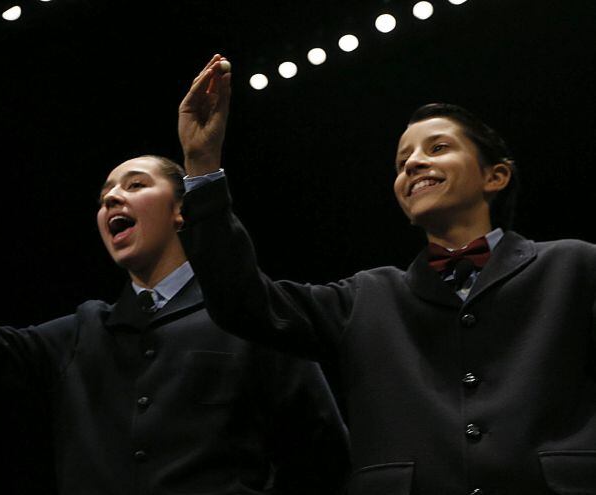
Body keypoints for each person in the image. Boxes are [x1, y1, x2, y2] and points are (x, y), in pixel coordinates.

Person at [177, 54, 596, 494]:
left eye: (437, 148)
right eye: (402, 162)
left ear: (495, 176)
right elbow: (244, 303)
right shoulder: (366, 296)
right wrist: (202, 166)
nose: (412, 164)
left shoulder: (576, 267)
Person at [0, 134, 348, 495]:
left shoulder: (252, 315)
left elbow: (322, 451)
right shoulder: (83, 331)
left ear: (182, 210)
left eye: (135, 185)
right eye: (105, 197)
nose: (113, 198)